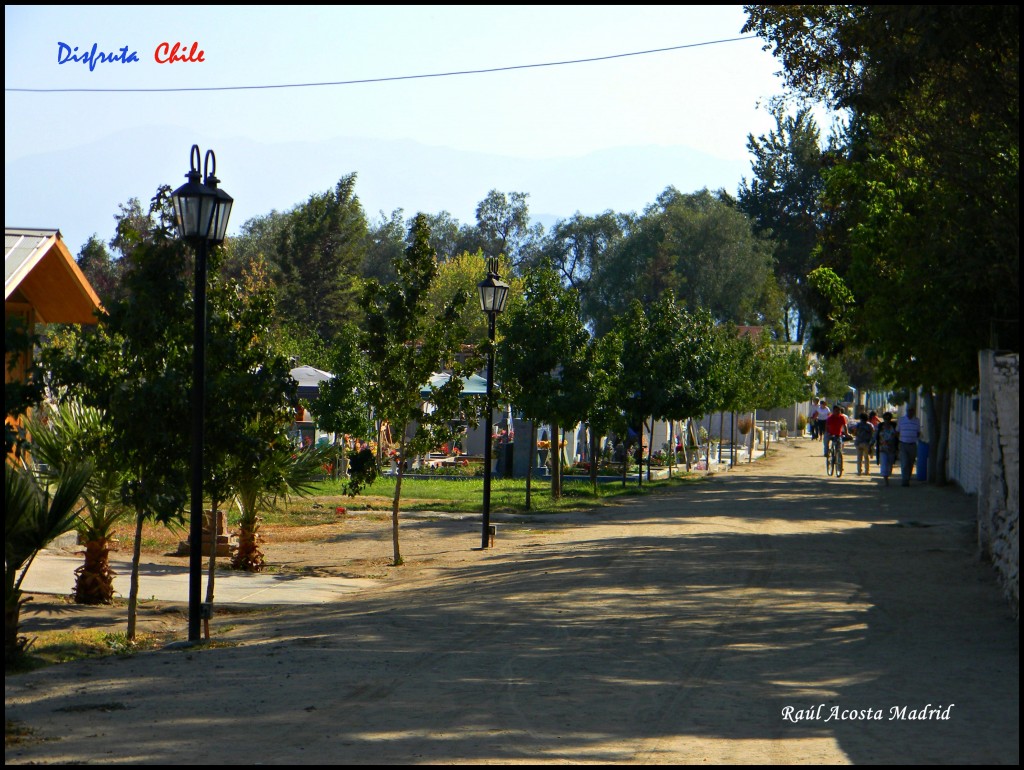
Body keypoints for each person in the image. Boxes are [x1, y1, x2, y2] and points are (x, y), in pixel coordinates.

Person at [897, 406, 922, 486]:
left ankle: (908, 477)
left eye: (912, 411)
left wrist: (914, 437)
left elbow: (918, 432)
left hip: (913, 444)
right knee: (904, 463)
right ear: (907, 411)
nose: (910, 412)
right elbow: (897, 431)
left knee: (911, 463)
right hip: (903, 444)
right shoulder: (901, 420)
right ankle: (905, 480)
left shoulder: (917, 421)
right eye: (909, 411)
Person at [875, 412, 898, 485]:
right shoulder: (880, 426)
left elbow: (897, 435)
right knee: (884, 463)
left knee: (890, 464)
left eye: (888, 418)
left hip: (892, 448)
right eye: (885, 418)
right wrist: (871, 444)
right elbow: (876, 436)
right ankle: (885, 478)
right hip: (883, 448)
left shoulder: (894, 426)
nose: (887, 420)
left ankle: (887, 474)